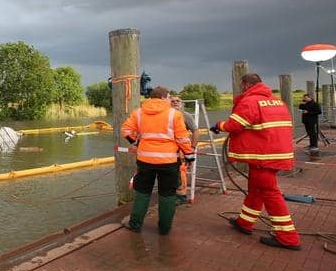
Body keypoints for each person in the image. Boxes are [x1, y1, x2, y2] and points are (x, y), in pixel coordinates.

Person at [211, 73, 301, 250]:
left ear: (245, 85)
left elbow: (234, 125)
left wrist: (218, 125)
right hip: (277, 153)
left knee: (270, 193)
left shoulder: (250, 102)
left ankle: (288, 237)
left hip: (263, 156)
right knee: (256, 189)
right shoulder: (277, 101)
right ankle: (245, 222)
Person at [121, 86, 196, 234]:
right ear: (163, 97)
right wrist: (189, 155)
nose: (170, 100)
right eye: (169, 97)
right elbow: (182, 138)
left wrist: (135, 142)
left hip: (145, 161)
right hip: (168, 162)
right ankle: (164, 228)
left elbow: (126, 130)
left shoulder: (139, 113)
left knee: (142, 193)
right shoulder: (174, 114)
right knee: (167, 195)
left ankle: (135, 224)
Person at [170, 96, 199, 204]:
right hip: (168, 151)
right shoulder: (166, 115)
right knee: (170, 174)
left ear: (181, 103)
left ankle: (181, 197)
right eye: (172, 101)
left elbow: (195, 131)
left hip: (181, 151)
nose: (175, 102)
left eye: (177, 101)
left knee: (181, 173)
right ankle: (170, 195)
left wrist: (192, 148)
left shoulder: (185, 116)